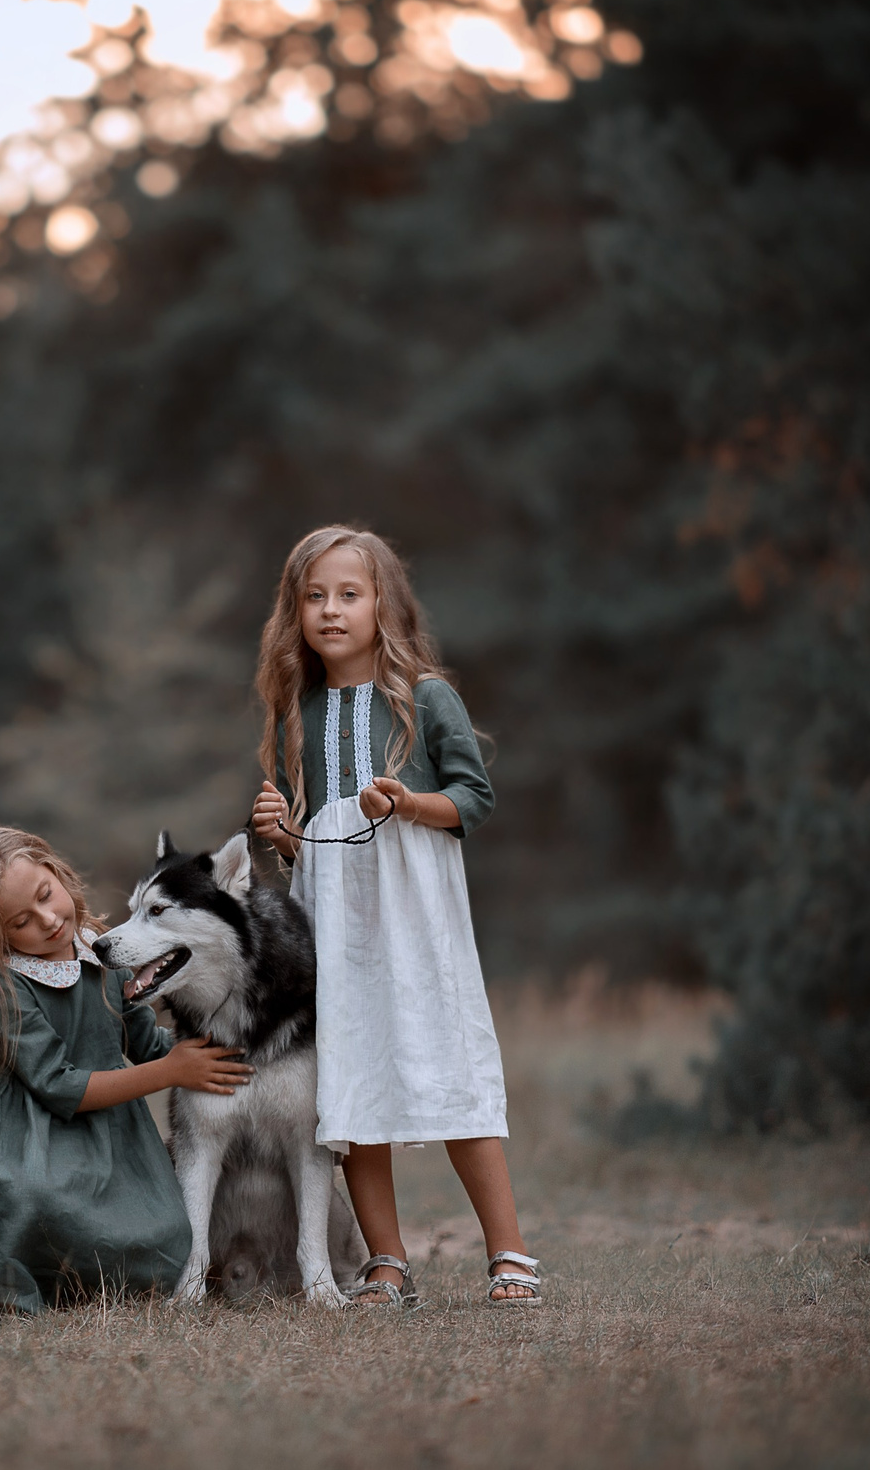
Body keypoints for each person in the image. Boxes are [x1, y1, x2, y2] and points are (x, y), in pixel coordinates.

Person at [247, 525, 542, 1309]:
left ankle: (508, 1251)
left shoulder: (426, 696)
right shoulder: (297, 710)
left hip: (417, 915)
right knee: (351, 1076)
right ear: (294, 611)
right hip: (335, 926)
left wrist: (409, 802)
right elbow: (314, 848)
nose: (331, 610)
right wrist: (282, 834)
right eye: (314, 596)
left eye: (349, 594)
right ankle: (387, 1261)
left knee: (450, 1063)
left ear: (384, 603)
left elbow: (473, 798)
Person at [0, 824, 253, 1312]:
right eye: (21, 922)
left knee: (169, 1232)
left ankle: (90, 1280)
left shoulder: (100, 952)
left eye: (45, 895)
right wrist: (173, 1072)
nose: (49, 919)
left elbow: (147, 1041)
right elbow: (58, 1084)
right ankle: (19, 1276)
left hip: (112, 1139)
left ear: (55, 872)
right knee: (27, 1198)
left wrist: (220, 1046)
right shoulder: (6, 987)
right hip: (31, 1138)